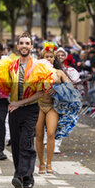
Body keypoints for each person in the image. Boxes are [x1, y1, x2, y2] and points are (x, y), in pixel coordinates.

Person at [0, 32, 54, 188]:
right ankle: (25, 176)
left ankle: (20, 176)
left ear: (32, 47)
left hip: (30, 110)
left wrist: (20, 103)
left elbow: (40, 93)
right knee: (17, 145)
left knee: (26, 142)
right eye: (22, 43)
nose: (24, 46)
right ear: (18, 46)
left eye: (27, 43)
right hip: (13, 110)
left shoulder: (40, 66)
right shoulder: (9, 65)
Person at [35, 42, 70, 174]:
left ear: (54, 58)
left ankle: (49, 163)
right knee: (38, 135)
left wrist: (58, 90)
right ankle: (41, 163)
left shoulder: (59, 73)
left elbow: (70, 89)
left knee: (50, 133)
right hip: (38, 105)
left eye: (50, 56)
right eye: (46, 57)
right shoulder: (36, 72)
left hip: (52, 107)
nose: (48, 59)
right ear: (41, 59)